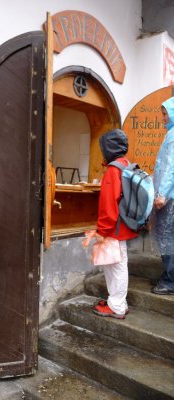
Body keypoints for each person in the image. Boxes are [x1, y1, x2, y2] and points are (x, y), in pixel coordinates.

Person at [92, 129, 138, 319]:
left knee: (115, 266)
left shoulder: (113, 170)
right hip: (124, 224)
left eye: (103, 147)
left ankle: (117, 307)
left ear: (109, 147)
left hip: (114, 227)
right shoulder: (126, 164)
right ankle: (118, 302)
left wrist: (102, 230)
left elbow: (108, 204)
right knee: (118, 264)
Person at [152, 96, 174, 295]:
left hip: (170, 198)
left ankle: (169, 281)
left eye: (165, 113)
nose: (163, 118)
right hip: (170, 196)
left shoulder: (173, 135)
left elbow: (170, 168)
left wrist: (161, 194)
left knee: (168, 238)